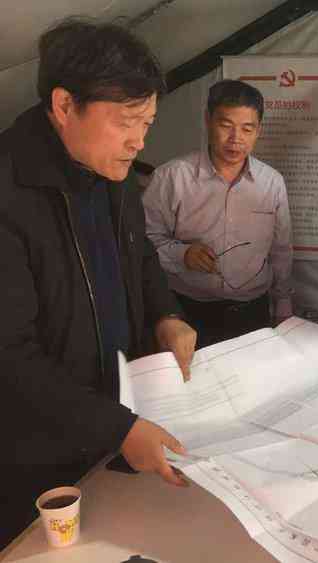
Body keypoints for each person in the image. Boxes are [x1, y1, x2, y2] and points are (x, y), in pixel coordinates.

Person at [0, 19, 197, 549]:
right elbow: (9, 355)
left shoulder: (113, 170)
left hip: (114, 423)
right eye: (126, 122)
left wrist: (167, 314)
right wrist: (117, 429)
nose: (139, 140)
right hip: (35, 454)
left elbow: (140, 254)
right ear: (65, 105)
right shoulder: (9, 193)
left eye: (147, 123)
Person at [143, 79, 293, 348]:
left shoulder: (272, 183)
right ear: (208, 120)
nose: (236, 139)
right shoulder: (172, 177)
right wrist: (182, 254)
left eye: (247, 129)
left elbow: (280, 249)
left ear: (258, 130)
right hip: (188, 312)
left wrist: (283, 304)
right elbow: (143, 242)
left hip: (252, 313)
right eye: (226, 125)